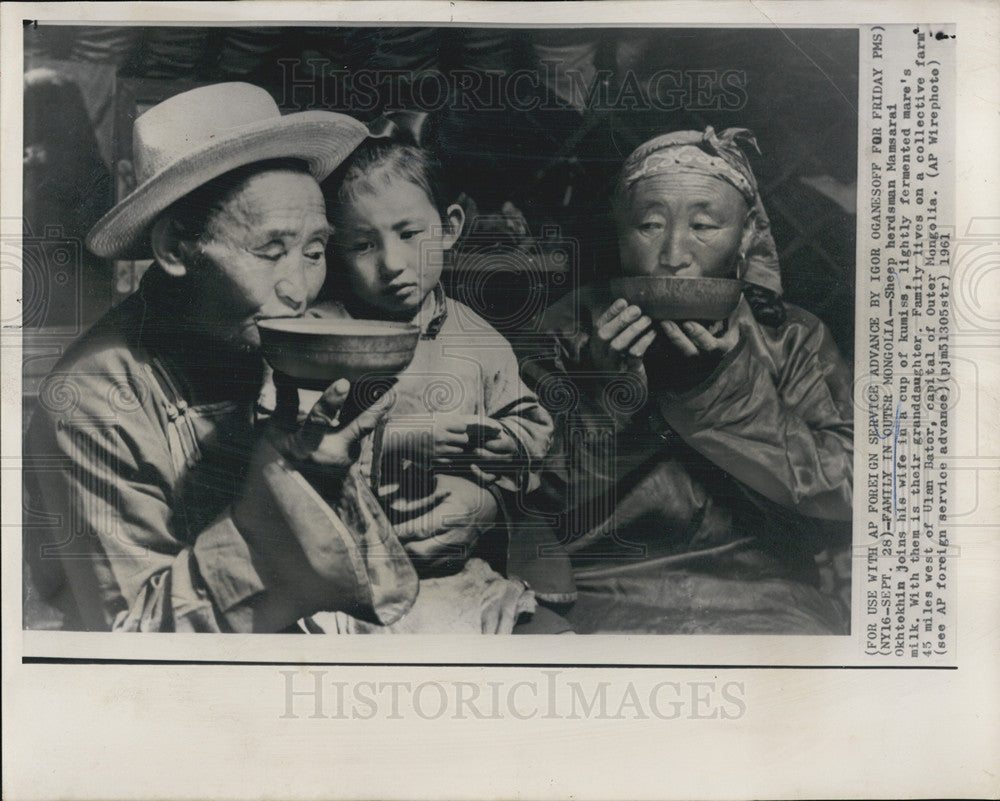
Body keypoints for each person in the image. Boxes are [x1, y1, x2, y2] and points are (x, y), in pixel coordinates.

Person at [22, 82, 453, 633]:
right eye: (271, 252)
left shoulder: (273, 345)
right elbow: (136, 640)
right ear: (177, 247)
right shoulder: (93, 403)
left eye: (315, 251)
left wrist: (320, 474)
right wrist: (278, 489)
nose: (299, 288)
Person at [522, 127, 854, 634]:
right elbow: (530, 503)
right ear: (619, 230)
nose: (674, 252)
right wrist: (604, 395)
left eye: (703, 225)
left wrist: (721, 388)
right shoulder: (567, 327)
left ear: (744, 237)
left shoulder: (792, 337)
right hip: (601, 589)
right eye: (650, 225)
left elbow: (847, 496)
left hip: (767, 594)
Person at [300, 134, 561, 633]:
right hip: (346, 585)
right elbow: (292, 456)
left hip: (454, 577)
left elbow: (530, 431)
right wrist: (398, 443)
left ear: (450, 227)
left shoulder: (478, 340)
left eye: (409, 234)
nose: (392, 264)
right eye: (362, 244)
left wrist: (509, 449)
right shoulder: (321, 336)